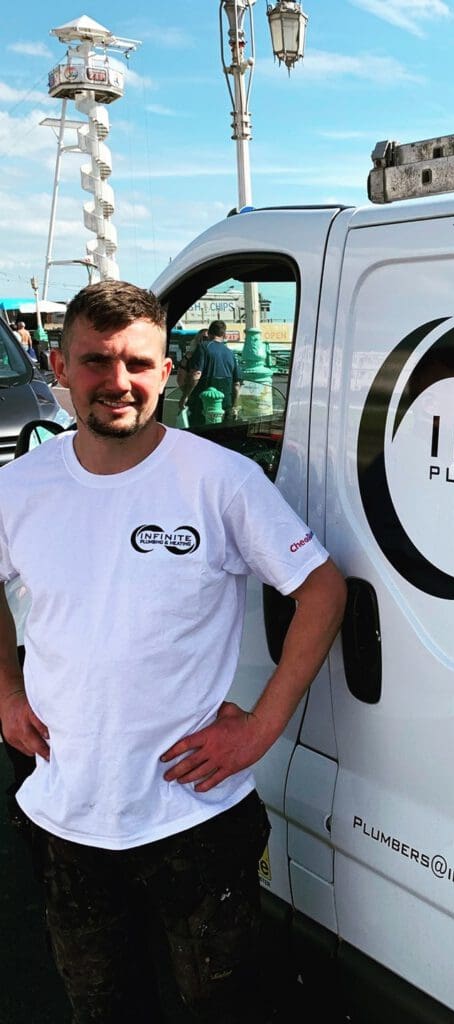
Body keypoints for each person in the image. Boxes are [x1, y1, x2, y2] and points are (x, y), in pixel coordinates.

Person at [0, 280, 348, 1023]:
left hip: (193, 817)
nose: (117, 382)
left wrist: (261, 728)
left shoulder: (219, 480)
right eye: (96, 361)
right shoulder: (19, 487)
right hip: (67, 813)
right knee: (102, 1008)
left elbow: (321, 590)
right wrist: (5, 692)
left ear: (168, 371)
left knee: (223, 1007)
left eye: (137, 363)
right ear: (60, 367)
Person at [179, 320, 241, 426]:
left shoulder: (203, 347)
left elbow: (196, 375)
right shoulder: (230, 353)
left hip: (202, 404)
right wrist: (234, 406)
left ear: (209, 333)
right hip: (225, 403)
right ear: (224, 335)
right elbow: (236, 384)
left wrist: (185, 396)